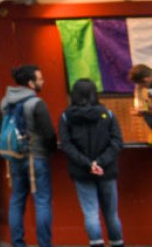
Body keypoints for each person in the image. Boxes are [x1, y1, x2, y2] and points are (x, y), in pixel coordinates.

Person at [58, 78, 125, 247]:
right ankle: (117, 243)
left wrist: (88, 164)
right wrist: (100, 162)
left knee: (91, 214)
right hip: (107, 171)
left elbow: (66, 144)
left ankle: (96, 243)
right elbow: (117, 141)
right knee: (112, 214)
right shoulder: (108, 114)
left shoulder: (66, 117)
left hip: (82, 172)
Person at [1, 65, 56, 247]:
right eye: (40, 79)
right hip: (36, 157)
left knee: (17, 200)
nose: (43, 81)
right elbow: (49, 134)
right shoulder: (36, 104)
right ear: (30, 83)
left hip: (14, 157)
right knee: (41, 201)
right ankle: (44, 244)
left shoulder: (6, 103)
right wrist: (51, 151)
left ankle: (17, 243)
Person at [130, 63, 152, 137]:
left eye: (142, 84)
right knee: (145, 113)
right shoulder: (140, 87)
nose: (141, 86)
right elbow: (140, 103)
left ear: (147, 79)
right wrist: (140, 109)